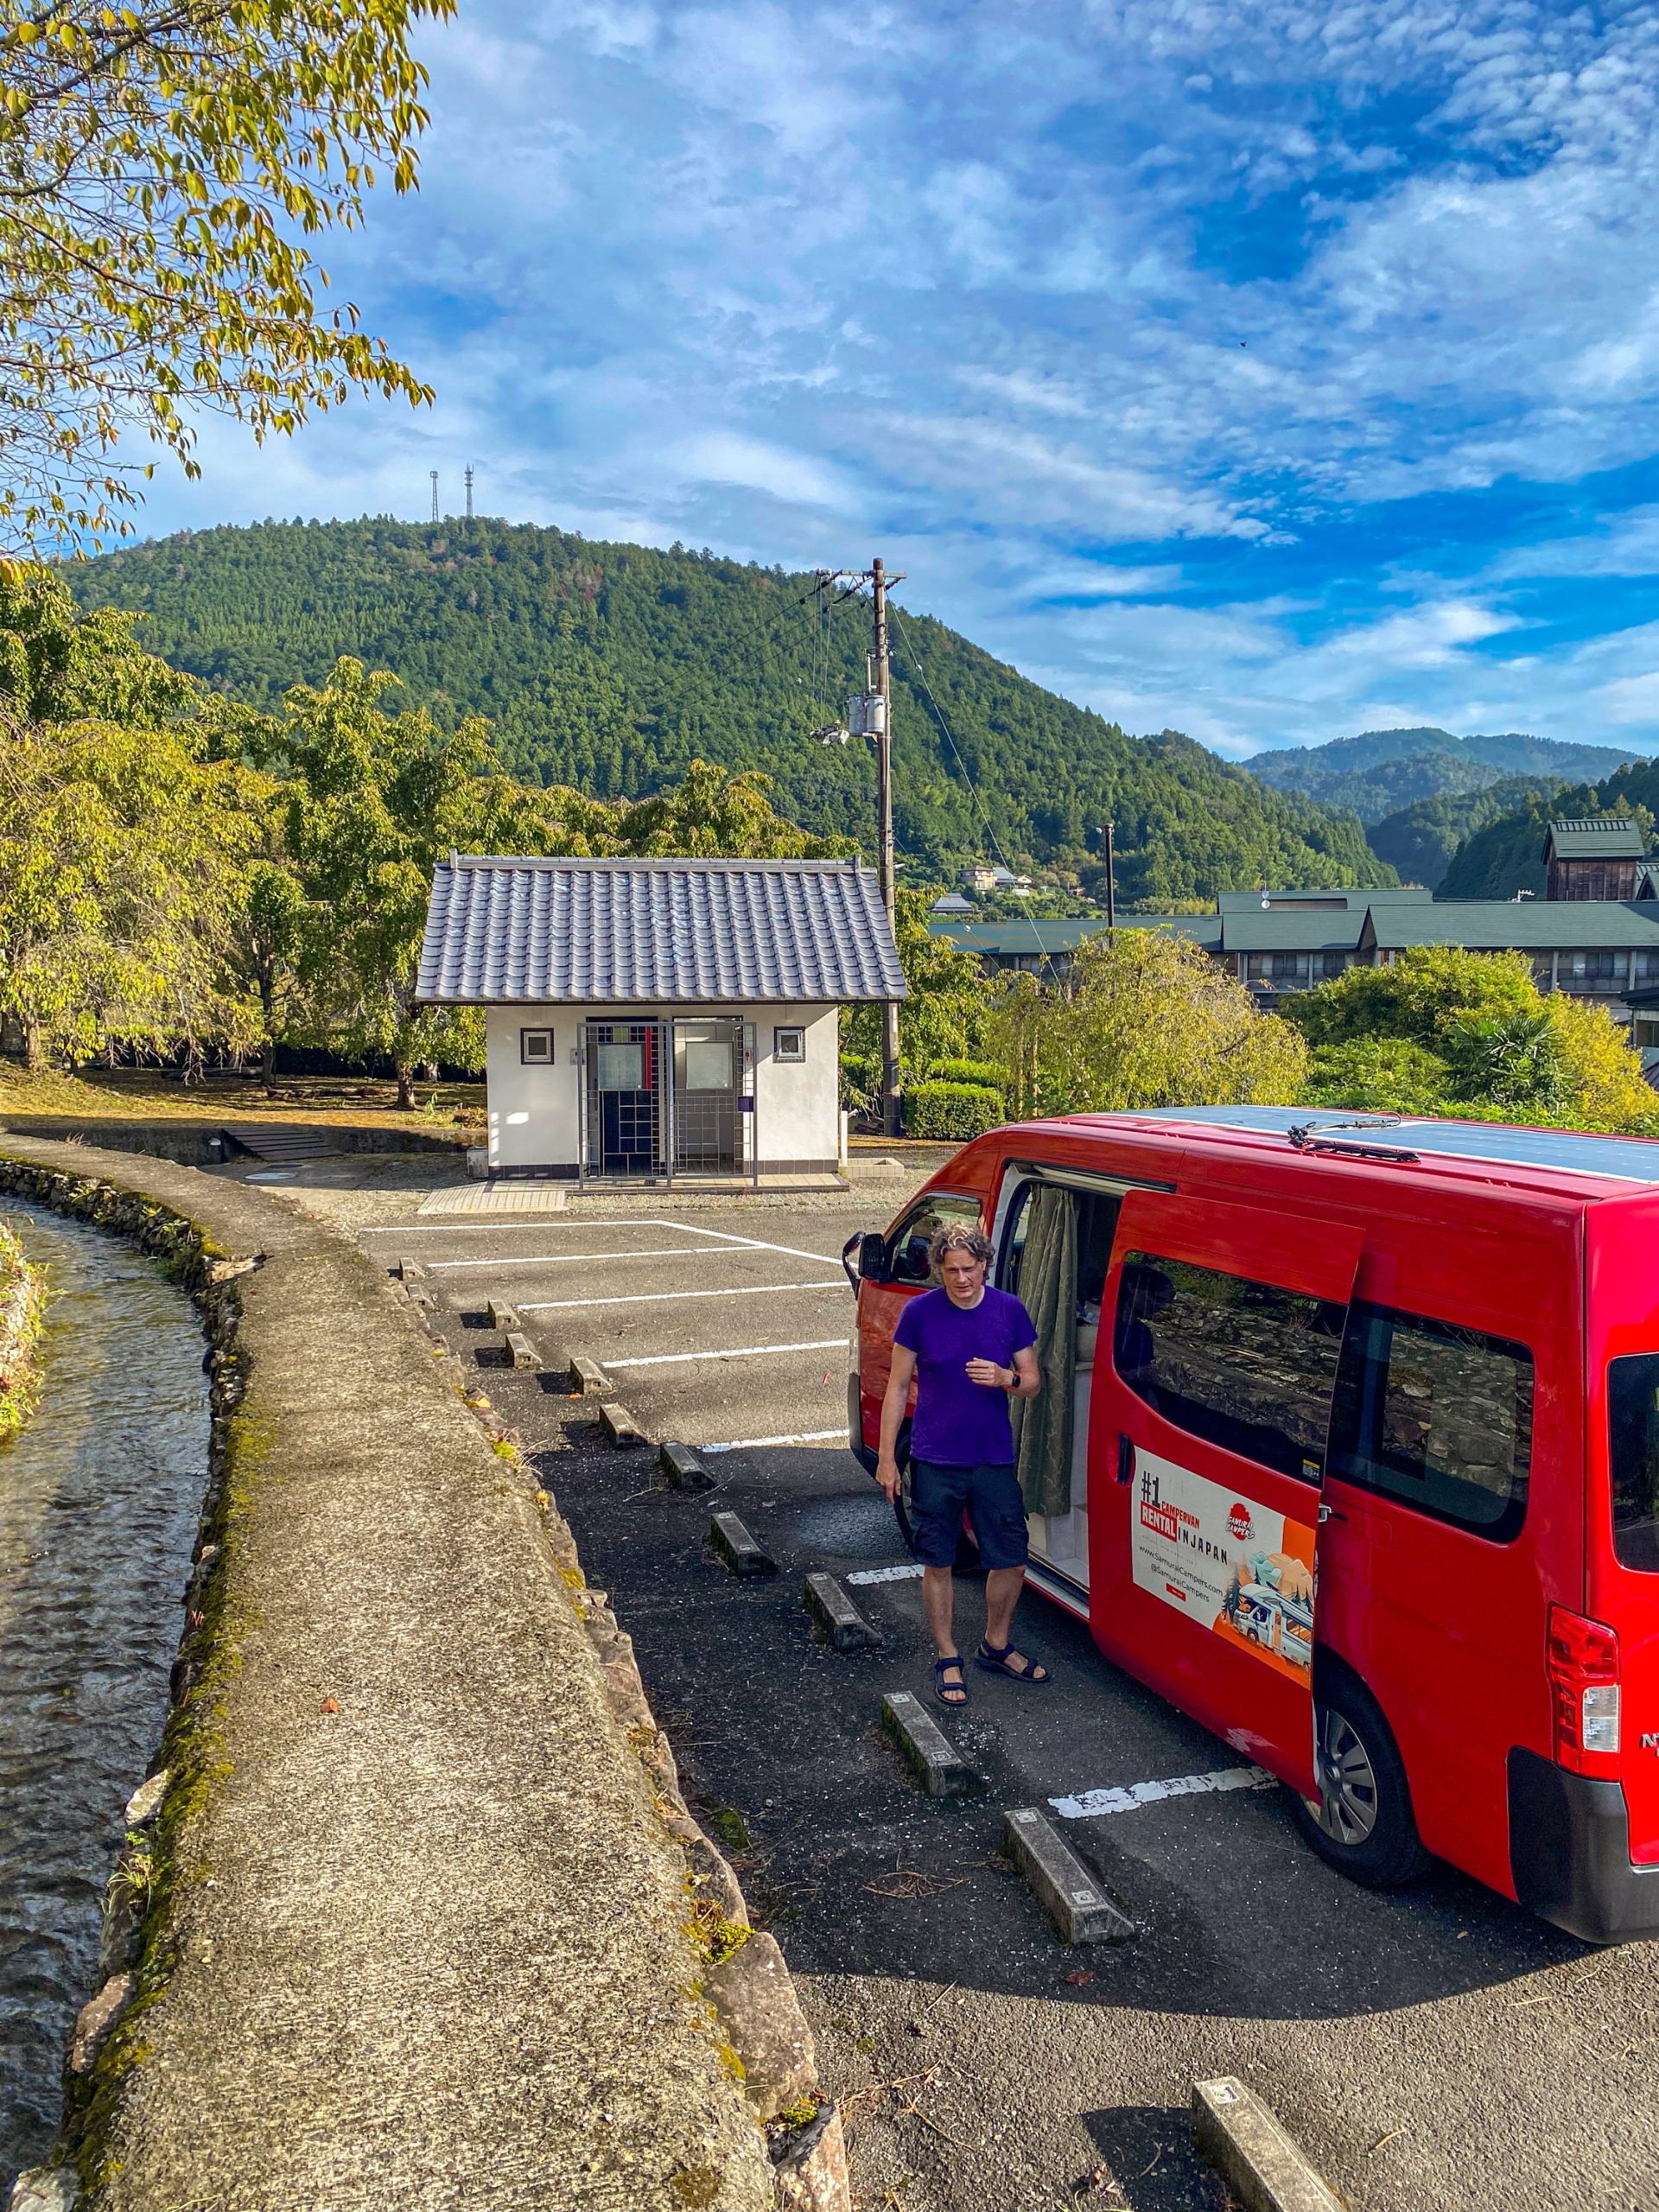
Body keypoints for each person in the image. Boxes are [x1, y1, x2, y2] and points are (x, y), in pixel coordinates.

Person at [874, 1221, 1049, 1707]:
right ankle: (947, 1653)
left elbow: (1033, 1382)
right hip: (933, 1457)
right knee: (938, 1561)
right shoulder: (919, 1314)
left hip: (992, 1457)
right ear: (939, 1270)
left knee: (1010, 1558)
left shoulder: (1008, 1311)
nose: (961, 1279)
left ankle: (995, 1644)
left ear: (984, 1265)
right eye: (950, 1270)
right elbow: (897, 1387)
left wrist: (1004, 1377)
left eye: (969, 1269)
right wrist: (888, 1459)